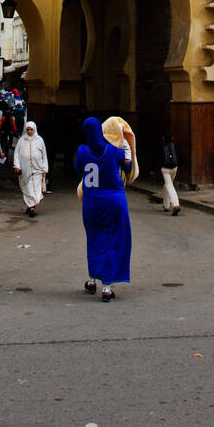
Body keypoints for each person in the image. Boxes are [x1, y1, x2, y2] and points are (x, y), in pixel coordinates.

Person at [75, 116, 132, 302]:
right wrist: (126, 146)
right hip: (114, 201)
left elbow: (78, 168)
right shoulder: (114, 152)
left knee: (94, 240)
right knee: (113, 241)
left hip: (92, 202)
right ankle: (107, 286)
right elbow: (128, 165)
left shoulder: (82, 151)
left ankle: (92, 279)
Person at [14, 120, 49, 217]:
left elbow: (44, 154)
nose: (29, 131)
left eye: (31, 129)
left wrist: (45, 168)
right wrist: (17, 166)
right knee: (26, 187)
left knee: (33, 187)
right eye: (28, 129)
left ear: (35, 130)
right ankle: (30, 205)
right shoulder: (22, 140)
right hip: (25, 169)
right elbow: (16, 153)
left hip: (37, 169)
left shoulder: (39, 140)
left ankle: (31, 206)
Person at [159, 132, 180, 215]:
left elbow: (157, 157)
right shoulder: (174, 146)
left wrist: (153, 169)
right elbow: (180, 157)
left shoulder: (161, 146)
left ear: (163, 138)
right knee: (168, 185)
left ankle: (175, 205)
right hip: (174, 168)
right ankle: (166, 205)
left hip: (165, 169)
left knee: (169, 185)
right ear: (173, 137)